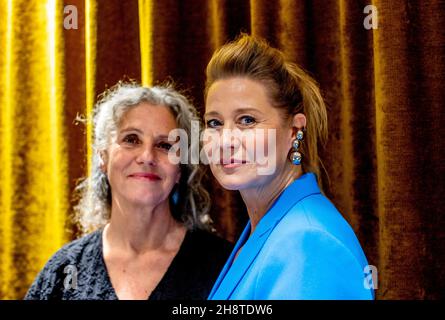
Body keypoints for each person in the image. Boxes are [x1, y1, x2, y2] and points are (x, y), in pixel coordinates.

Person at [203, 34, 374, 300]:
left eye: (247, 120)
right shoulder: (266, 226)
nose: (225, 140)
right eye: (214, 123)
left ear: (294, 130)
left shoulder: (309, 242)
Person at [25, 82, 232, 300]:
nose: (147, 157)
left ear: (180, 169)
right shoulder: (64, 270)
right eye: (131, 140)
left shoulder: (223, 267)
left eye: (164, 145)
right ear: (103, 158)